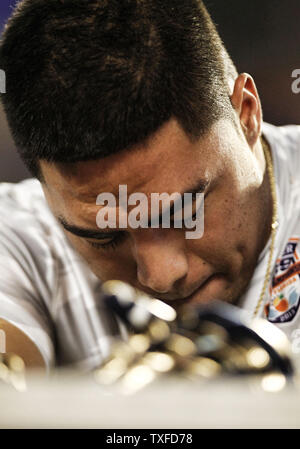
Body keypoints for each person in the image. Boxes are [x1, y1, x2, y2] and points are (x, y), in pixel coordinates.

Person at [0, 0, 299, 372]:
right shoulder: (15, 235)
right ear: (47, 191)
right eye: (104, 238)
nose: (161, 276)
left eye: (184, 212)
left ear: (246, 114)